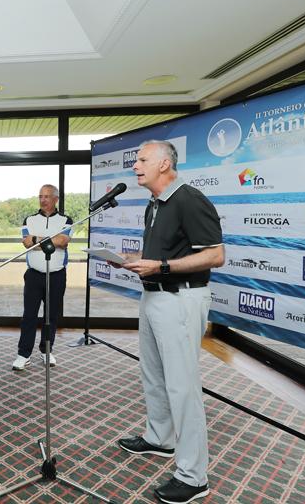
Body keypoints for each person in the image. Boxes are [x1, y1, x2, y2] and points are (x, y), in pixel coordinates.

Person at [113, 139, 223, 504]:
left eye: (142, 160)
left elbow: (216, 255)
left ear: (164, 164)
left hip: (182, 299)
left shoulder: (189, 199)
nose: (135, 166)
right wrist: (134, 260)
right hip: (154, 296)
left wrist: (161, 266)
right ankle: (160, 438)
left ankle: (193, 476)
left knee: (182, 386)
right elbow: (163, 254)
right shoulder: (155, 204)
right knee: (154, 374)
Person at [12, 185, 72, 371]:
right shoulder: (29, 219)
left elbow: (63, 241)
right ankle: (23, 354)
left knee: (51, 315)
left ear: (56, 199)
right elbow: (26, 243)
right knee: (29, 315)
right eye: (40, 196)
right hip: (34, 275)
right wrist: (47, 240)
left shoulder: (66, 219)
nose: (43, 200)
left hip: (57, 275)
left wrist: (36, 239)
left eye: (47, 196)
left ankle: (46, 350)